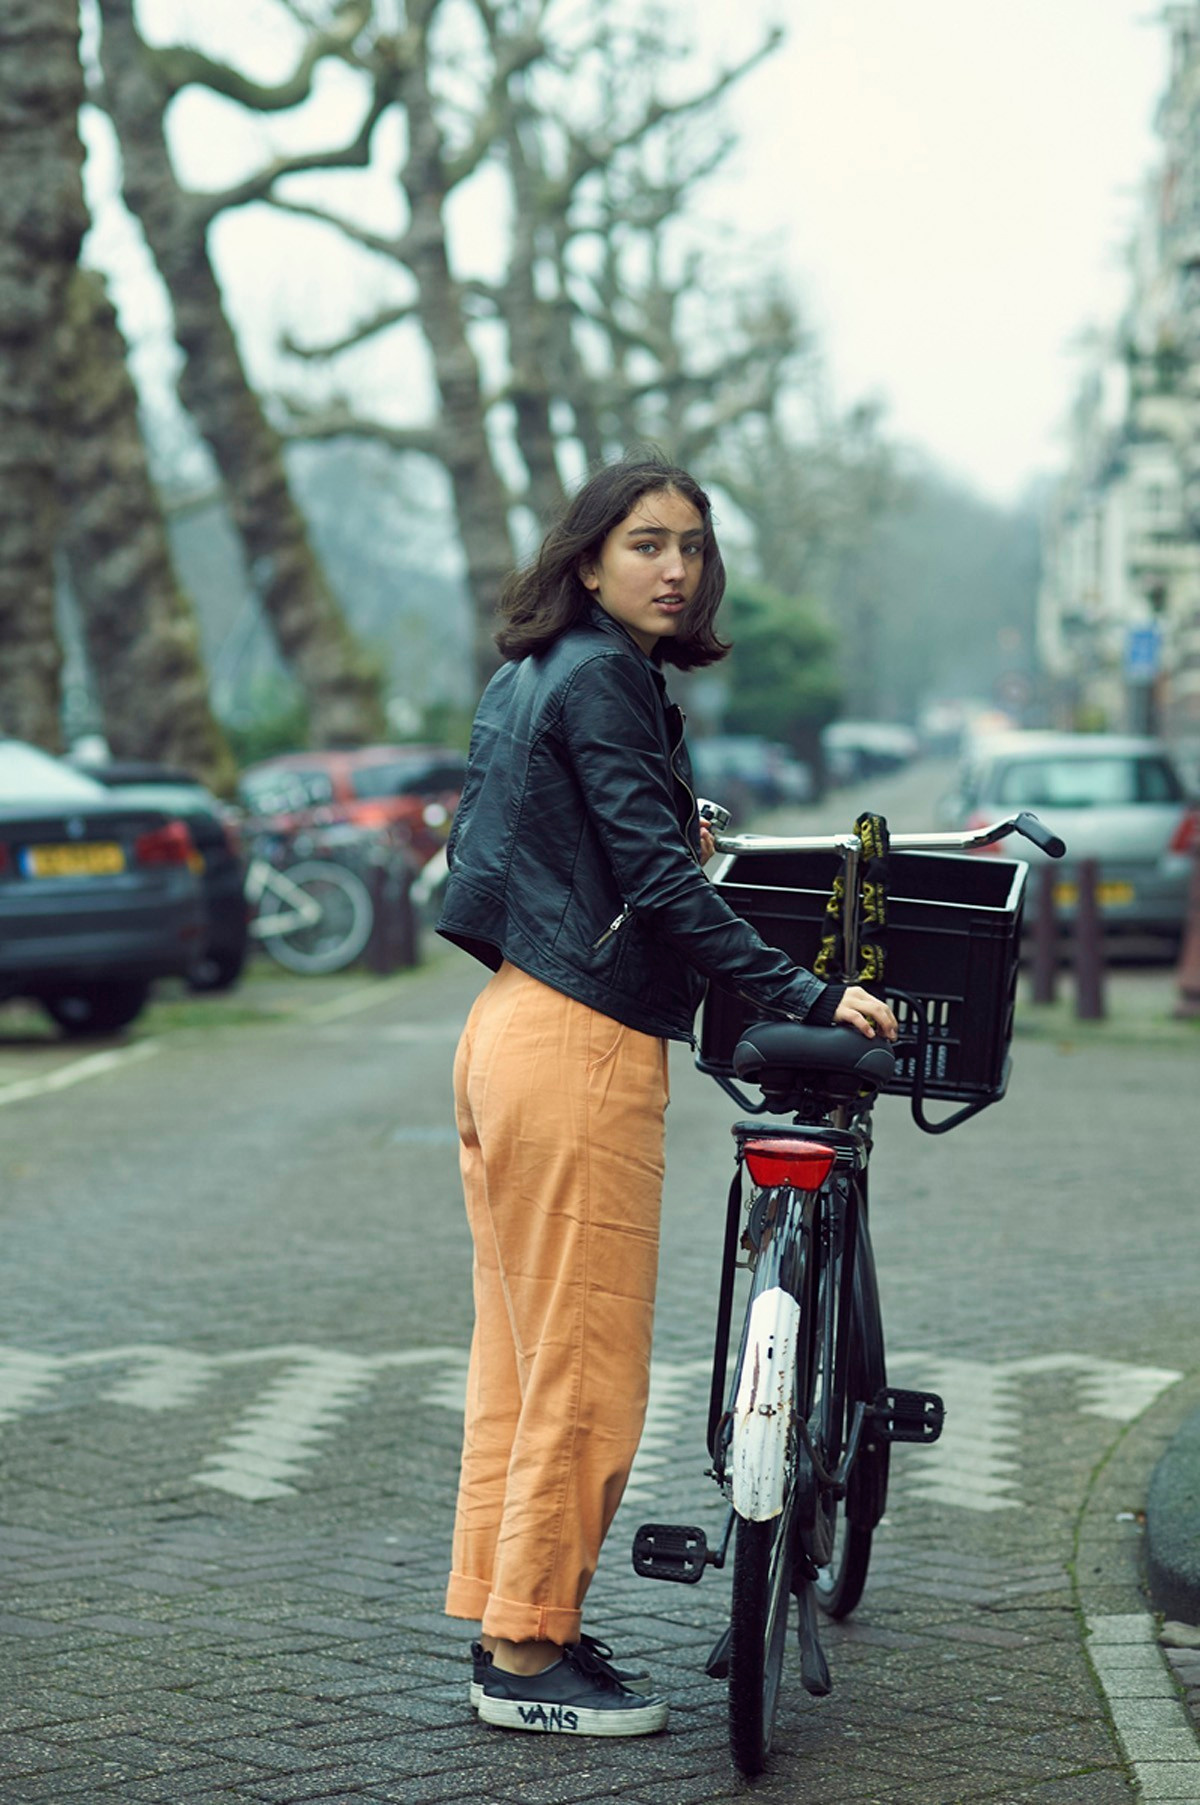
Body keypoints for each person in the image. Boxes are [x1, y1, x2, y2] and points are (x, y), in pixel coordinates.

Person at [437, 453, 896, 1738]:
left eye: (691, 545)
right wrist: (808, 995)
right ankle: (527, 1655)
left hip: (507, 1028)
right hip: (574, 1046)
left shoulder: (540, 671)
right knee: (583, 1365)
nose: (675, 567)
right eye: (645, 544)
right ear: (589, 559)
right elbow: (659, 885)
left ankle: (511, 1617)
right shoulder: (600, 679)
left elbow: (530, 846)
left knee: (521, 1364)